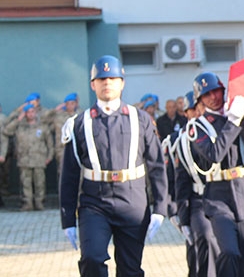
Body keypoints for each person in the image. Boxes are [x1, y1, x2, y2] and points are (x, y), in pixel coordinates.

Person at [59, 55, 168, 276]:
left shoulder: (141, 119)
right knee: (92, 259)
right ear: (93, 85)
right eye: (101, 79)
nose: (107, 83)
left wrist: (161, 207)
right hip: (94, 202)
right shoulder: (80, 123)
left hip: (133, 200)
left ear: (122, 82)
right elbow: (69, 175)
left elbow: (157, 165)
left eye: (112, 78)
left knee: (130, 268)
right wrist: (67, 219)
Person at [187, 72, 244, 276]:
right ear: (200, 100)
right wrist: (233, 121)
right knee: (230, 252)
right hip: (219, 197)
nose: (213, 97)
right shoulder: (197, 127)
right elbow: (214, 154)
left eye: (216, 91)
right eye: (207, 94)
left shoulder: (240, 117)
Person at [173, 90, 219, 277]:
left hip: (222, 196)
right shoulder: (181, 141)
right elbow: (179, 182)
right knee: (200, 249)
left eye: (201, 108)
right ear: (186, 113)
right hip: (198, 200)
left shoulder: (217, 133)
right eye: (193, 109)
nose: (198, 113)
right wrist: (181, 217)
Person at [3, 103, 53, 210]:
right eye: (28, 112)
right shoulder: (20, 126)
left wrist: (49, 156)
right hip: (24, 160)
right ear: (25, 114)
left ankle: (39, 203)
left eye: (32, 112)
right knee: (26, 183)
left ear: (36, 113)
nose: (31, 114)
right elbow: (6, 130)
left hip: (39, 159)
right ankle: (28, 204)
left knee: (40, 183)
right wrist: (18, 118)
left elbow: (49, 143)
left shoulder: (42, 126)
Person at [44, 92, 81, 179]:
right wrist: (55, 110)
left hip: (78, 148)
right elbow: (43, 120)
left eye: (73, 103)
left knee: (79, 173)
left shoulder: (81, 115)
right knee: (63, 173)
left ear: (76, 104)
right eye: (68, 103)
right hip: (62, 149)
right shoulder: (58, 116)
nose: (70, 106)